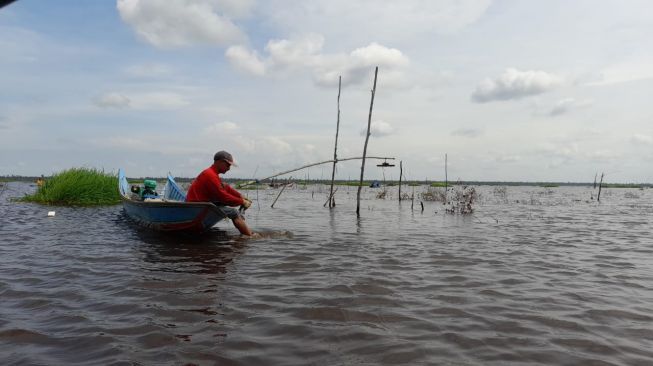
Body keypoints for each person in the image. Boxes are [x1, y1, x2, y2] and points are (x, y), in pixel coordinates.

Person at [186, 151, 254, 236]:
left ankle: (247, 232)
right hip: (198, 206)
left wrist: (241, 196)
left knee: (230, 203)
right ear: (219, 162)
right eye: (228, 165)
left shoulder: (212, 173)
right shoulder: (211, 176)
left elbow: (225, 187)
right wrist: (242, 202)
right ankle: (249, 236)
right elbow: (224, 197)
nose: (229, 168)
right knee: (234, 212)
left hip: (201, 204)